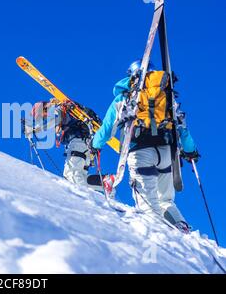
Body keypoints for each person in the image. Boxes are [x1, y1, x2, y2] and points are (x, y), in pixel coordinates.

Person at [90, 59, 200, 233]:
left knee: (149, 208)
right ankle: (183, 231)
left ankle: (164, 247)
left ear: (131, 77)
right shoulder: (167, 96)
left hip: (140, 151)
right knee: (166, 201)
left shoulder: (126, 97)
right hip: (166, 153)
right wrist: (190, 151)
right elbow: (182, 128)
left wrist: (94, 145)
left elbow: (107, 129)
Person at [24, 99, 116, 198]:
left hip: (78, 143)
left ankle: (93, 194)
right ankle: (105, 183)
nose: (44, 118)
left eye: (41, 116)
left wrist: (34, 129)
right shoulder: (63, 109)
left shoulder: (57, 108)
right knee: (77, 176)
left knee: (72, 176)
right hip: (85, 146)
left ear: (44, 108)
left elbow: (53, 120)